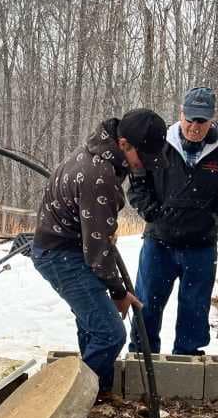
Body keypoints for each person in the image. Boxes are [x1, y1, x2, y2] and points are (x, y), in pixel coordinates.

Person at [32, 109, 167, 391]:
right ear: (124, 144)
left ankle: (98, 392)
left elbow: (95, 240)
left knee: (93, 326)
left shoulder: (100, 152)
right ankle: (77, 398)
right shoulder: (99, 176)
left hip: (68, 247)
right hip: (60, 255)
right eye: (143, 157)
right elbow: (97, 250)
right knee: (109, 334)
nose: (144, 165)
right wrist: (118, 292)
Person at [127, 87, 218, 355]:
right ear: (181, 113)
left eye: (202, 121)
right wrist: (152, 212)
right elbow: (137, 181)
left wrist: (217, 215)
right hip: (158, 244)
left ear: (212, 118)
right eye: (190, 119)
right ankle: (141, 358)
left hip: (201, 246)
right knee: (146, 305)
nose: (195, 127)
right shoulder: (159, 143)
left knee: (195, 310)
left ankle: (188, 362)